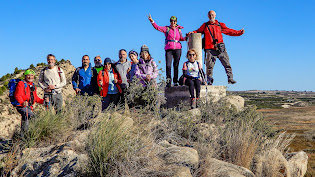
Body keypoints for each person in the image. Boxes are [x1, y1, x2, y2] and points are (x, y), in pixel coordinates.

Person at [188, 10, 245, 85]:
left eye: (212, 15)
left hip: (221, 48)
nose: (211, 16)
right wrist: (192, 32)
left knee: (227, 64)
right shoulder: (205, 25)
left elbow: (229, 31)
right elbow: (198, 31)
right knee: (209, 67)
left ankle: (230, 78)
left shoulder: (220, 25)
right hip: (210, 49)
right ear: (208, 16)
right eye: (210, 15)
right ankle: (209, 80)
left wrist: (239, 33)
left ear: (215, 15)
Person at [148, 14, 185, 87]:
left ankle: (175, 81)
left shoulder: (179, 29)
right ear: (170, 21)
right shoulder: (167, 28)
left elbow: (181, 38)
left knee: (176, 65)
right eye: (171, 21)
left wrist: (186, 37)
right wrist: (152, 21)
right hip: (169, 49)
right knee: (168, 65)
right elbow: (157, 27)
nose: (173, 22)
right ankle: (168, 81)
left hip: (178, 48)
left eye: (174, 21)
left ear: (176, 22)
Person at [15, 69, 47, 135]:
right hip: (22, 106)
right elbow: (17, 95)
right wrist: (22, 102)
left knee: (26, 121)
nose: (30, 77)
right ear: (25, 76)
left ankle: (22, 137)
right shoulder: (21, 83)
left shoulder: (33, 86)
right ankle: (28, 136)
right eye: (28, 75)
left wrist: (43, 101)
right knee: (32, 118)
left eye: (32, 75)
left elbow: (36, 98)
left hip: (29, 107)